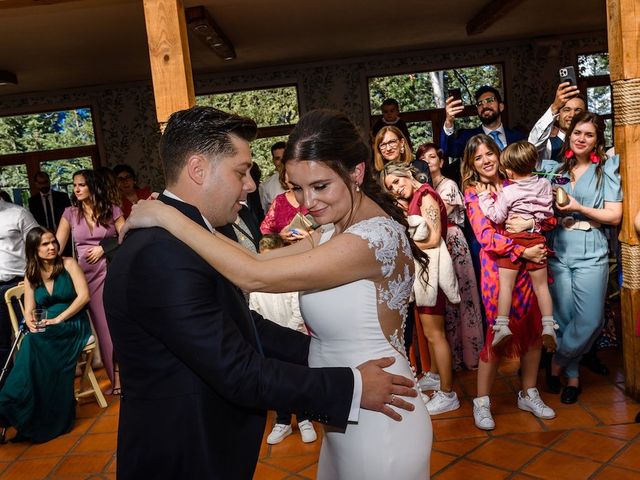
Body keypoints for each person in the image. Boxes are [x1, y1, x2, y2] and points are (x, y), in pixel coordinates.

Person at [105, 106, 422, 480]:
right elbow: (250, 287)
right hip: (185, 452)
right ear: (198, 169)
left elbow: (252, 276)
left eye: (319, 186)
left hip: (383, 402)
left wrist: (166, 214)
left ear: (356, 173)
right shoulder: (162, 251)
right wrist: (345, 378)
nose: (253, 185)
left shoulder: (371, 237)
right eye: (241, 172)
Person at [461, 134, 556, 430]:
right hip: (497, 273)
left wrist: (532, 225)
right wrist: (522, 249)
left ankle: (529, 393)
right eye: (478, 157)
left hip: (530, 269)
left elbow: (550, 218)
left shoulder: (518, 180)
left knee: (533, 329)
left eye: (490, 153)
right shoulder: (473, 193)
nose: (487, 160)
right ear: (471, 165)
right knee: (497, 335)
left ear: (499, 155)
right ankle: (482, 401)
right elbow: (485, 237)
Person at [540, 112, 622, 404]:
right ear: (569, 134)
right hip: (558, 251)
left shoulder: (606, 170)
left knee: (590, 320)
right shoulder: (555, 168)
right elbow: (532, 146)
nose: (581, 138)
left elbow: (614, 215)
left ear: (597, 140)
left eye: (588, 134)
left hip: (591, 251)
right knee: (563, 319)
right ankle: (572, 378)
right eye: (577, 132)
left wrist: (579, 207)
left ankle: (557, 363)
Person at [381, 162, 460, 416]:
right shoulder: (415, 197)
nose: (395, 188)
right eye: (389, 187)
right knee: (429, 333)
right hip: (425, 271)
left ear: (407, 174)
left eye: (396, 181)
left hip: (432, 271)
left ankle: (448, 394)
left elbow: (435, 237)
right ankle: (436, 377)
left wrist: (403, 242)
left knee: (435, 334)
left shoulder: (425, 194)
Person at [0, 226, 91, 443]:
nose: (52, 247)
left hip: (72, 323)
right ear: (34, 249)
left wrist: (59, 318)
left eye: (53, 242)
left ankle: (8, 402)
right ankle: (14, 403)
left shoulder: (68, 263)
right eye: (45, 244)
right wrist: (31, 320)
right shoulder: (31, 273)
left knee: (34, 343)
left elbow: (84, 297)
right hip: (47, 327)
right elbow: (30, 309)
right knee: (33, 339)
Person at [476, 141, 558, 350]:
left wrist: (484, 197)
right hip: (537, 239)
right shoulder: (545, 185)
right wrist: (533, 221)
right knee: (541, 287)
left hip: (514, 241)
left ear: (509, 171)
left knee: (506, 287)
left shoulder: (508, 191)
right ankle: (548, 325)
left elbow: (496, 215)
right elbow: (548, 214)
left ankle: (502, 325)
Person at [415, 143, 483, 371]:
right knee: (442, 302)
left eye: (433, 157)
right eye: (424, 158)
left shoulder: (448, 185)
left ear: (441, 161)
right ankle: (448, 359)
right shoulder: (421, 190)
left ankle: (469, 355)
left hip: (452, 242)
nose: (429, 161)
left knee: (461, 296)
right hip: (433, 246)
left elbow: (437, 216)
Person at [56, 169, 124, 394]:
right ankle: (115, 376)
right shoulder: (70, 213)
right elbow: (56, 247)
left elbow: (126, 237)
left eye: (82, 185)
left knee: (115, 324)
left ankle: (125, 374)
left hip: (112, 272)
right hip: (85, 277)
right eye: (75, 185)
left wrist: (104, 247)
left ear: (93, 186)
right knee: (103, 327)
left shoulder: (111, 209)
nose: (76, 189)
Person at [249, 234, 316, 445]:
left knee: (299, 379)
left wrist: (284, 338)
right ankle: (283, 421)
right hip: (272, 345)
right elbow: (255, 312)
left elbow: (298, 311)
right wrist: (273, 342)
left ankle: (305, 419)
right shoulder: (256, 287)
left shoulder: (291, 280)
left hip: (293, 338)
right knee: (277, 382)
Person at [0, 198, 38, 368]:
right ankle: (5, 390)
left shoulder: (19, 213)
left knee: (31, 337)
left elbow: (39, 247)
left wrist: (28, 280)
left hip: (18, 286)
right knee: (1, 345)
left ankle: (40, 385)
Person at [440, 85, 526, 160]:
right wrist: (448, 122)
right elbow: (448, 150)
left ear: (501, 107)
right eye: (480, 103)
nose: (484, 106)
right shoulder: (468, 137)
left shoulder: (519, 137)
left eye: (490, 100)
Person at [528, 82, 586, 165]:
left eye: (578, 110)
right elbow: (532, 145)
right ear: (557, 116)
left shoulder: (590, 144)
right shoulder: (547, 146)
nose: (572, 115)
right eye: (567, 110)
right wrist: (554, 107)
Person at [260, 168, 310, 244]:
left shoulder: (314, 198)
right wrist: (279, 237)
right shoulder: (279, 201)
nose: (294, 177)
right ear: (284, 178)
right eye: (290, 173)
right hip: (284, 252)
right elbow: (265, 229)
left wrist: (312, 235)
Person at [259, 141, 287, 212]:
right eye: (278, 158)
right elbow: (265, 213)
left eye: (285, 157)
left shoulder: (305, 178)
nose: (282, 161)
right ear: (273, 161)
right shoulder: (265, 186)